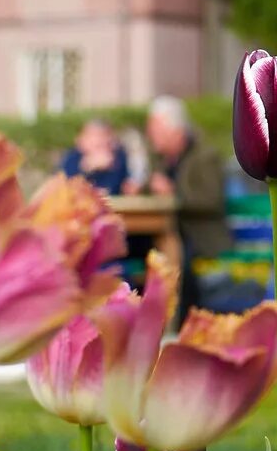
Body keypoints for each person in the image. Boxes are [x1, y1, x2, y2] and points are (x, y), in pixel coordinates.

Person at [146, 96, 233, 320]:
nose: (150, 134)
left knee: (174, 254)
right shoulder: (163, 159)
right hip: (169, 234)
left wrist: (174, 194)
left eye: (155, 128)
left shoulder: (205, 156)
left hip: (200, 237)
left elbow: (211, 199)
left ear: (173, 129)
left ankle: (177, 319)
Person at [60, 119, 134, 195]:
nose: (98, 141)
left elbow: (117, 187)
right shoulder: (72, 158)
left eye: (103, 136)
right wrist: (87, 168)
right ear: (81, 140)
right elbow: (66, 185)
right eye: (93, 136)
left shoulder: (118, 158)